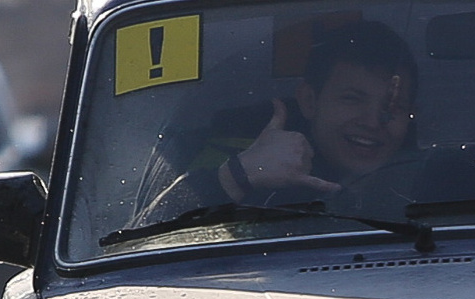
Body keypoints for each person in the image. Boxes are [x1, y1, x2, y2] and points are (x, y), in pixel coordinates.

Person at [138, 21, 421, 223]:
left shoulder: (437, 189)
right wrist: (236, 177)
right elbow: (140, 239)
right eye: (352, 99)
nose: (373, 121)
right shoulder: (229, 163)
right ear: (309, 101)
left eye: (392, 106)